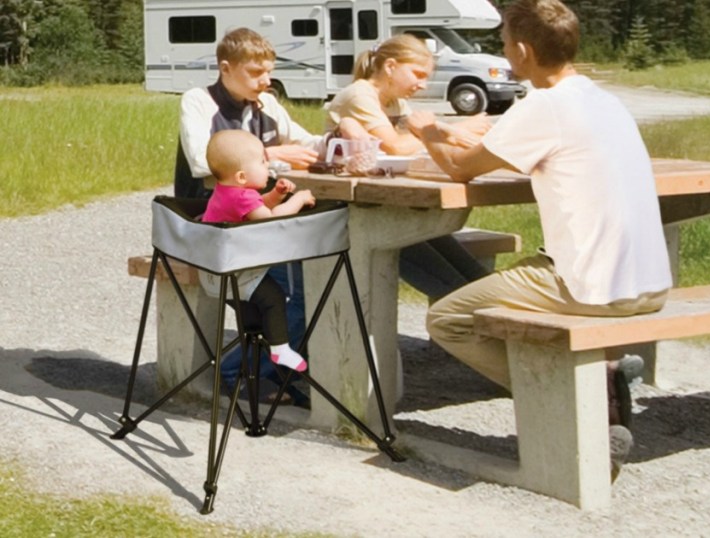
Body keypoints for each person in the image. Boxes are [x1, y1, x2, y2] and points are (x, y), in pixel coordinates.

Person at [407, 0, 673, 478]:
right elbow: (508, 147)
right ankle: (598, 379)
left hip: (590, 287)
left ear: (525, 51)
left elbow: (460, 167)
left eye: (506, 44)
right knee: (515, 280)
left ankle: (580, 399)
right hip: (649, 284)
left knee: (447, 318)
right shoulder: (600, 99)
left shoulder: (544, 106)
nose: (505, 53)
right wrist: (454, 132)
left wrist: (427, 133)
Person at [174, 27, 359, 402]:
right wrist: (273, 156)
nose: (266, 80)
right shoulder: (199, 101)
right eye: (255, 73)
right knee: (297, 290)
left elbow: (303, 142)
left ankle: (270, 374)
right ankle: (246, 374)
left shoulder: (267, 105)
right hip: (217, 222)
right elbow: (200, 161)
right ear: (225, 69)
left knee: (309, 278)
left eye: (269, 72)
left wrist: (339, 139)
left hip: (258, 218)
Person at [323, 34, 492, 301]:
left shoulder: (393, 101)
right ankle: (475, 313)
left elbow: (411, 140)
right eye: (417, 74)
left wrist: (441, 133)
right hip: (352, 212)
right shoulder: (360, 95)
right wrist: (446, 131)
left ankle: (486, 302)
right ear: (390, 67)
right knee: (453, 286)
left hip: (381, 203)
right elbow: (396, 147)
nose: (422, 85)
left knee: (470, 273)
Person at [201, 129, 317, 372]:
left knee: (256, 314)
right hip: (236, 273)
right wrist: (298, 199)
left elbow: (256, 209)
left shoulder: (229, 192)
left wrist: (275, 194)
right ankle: (279, 351)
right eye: (263, 162)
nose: (269, 166)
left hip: (217, 270)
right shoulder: (241, 197)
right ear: (242, 176)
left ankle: (249, 366)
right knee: (274, 298)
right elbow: (270, 220)